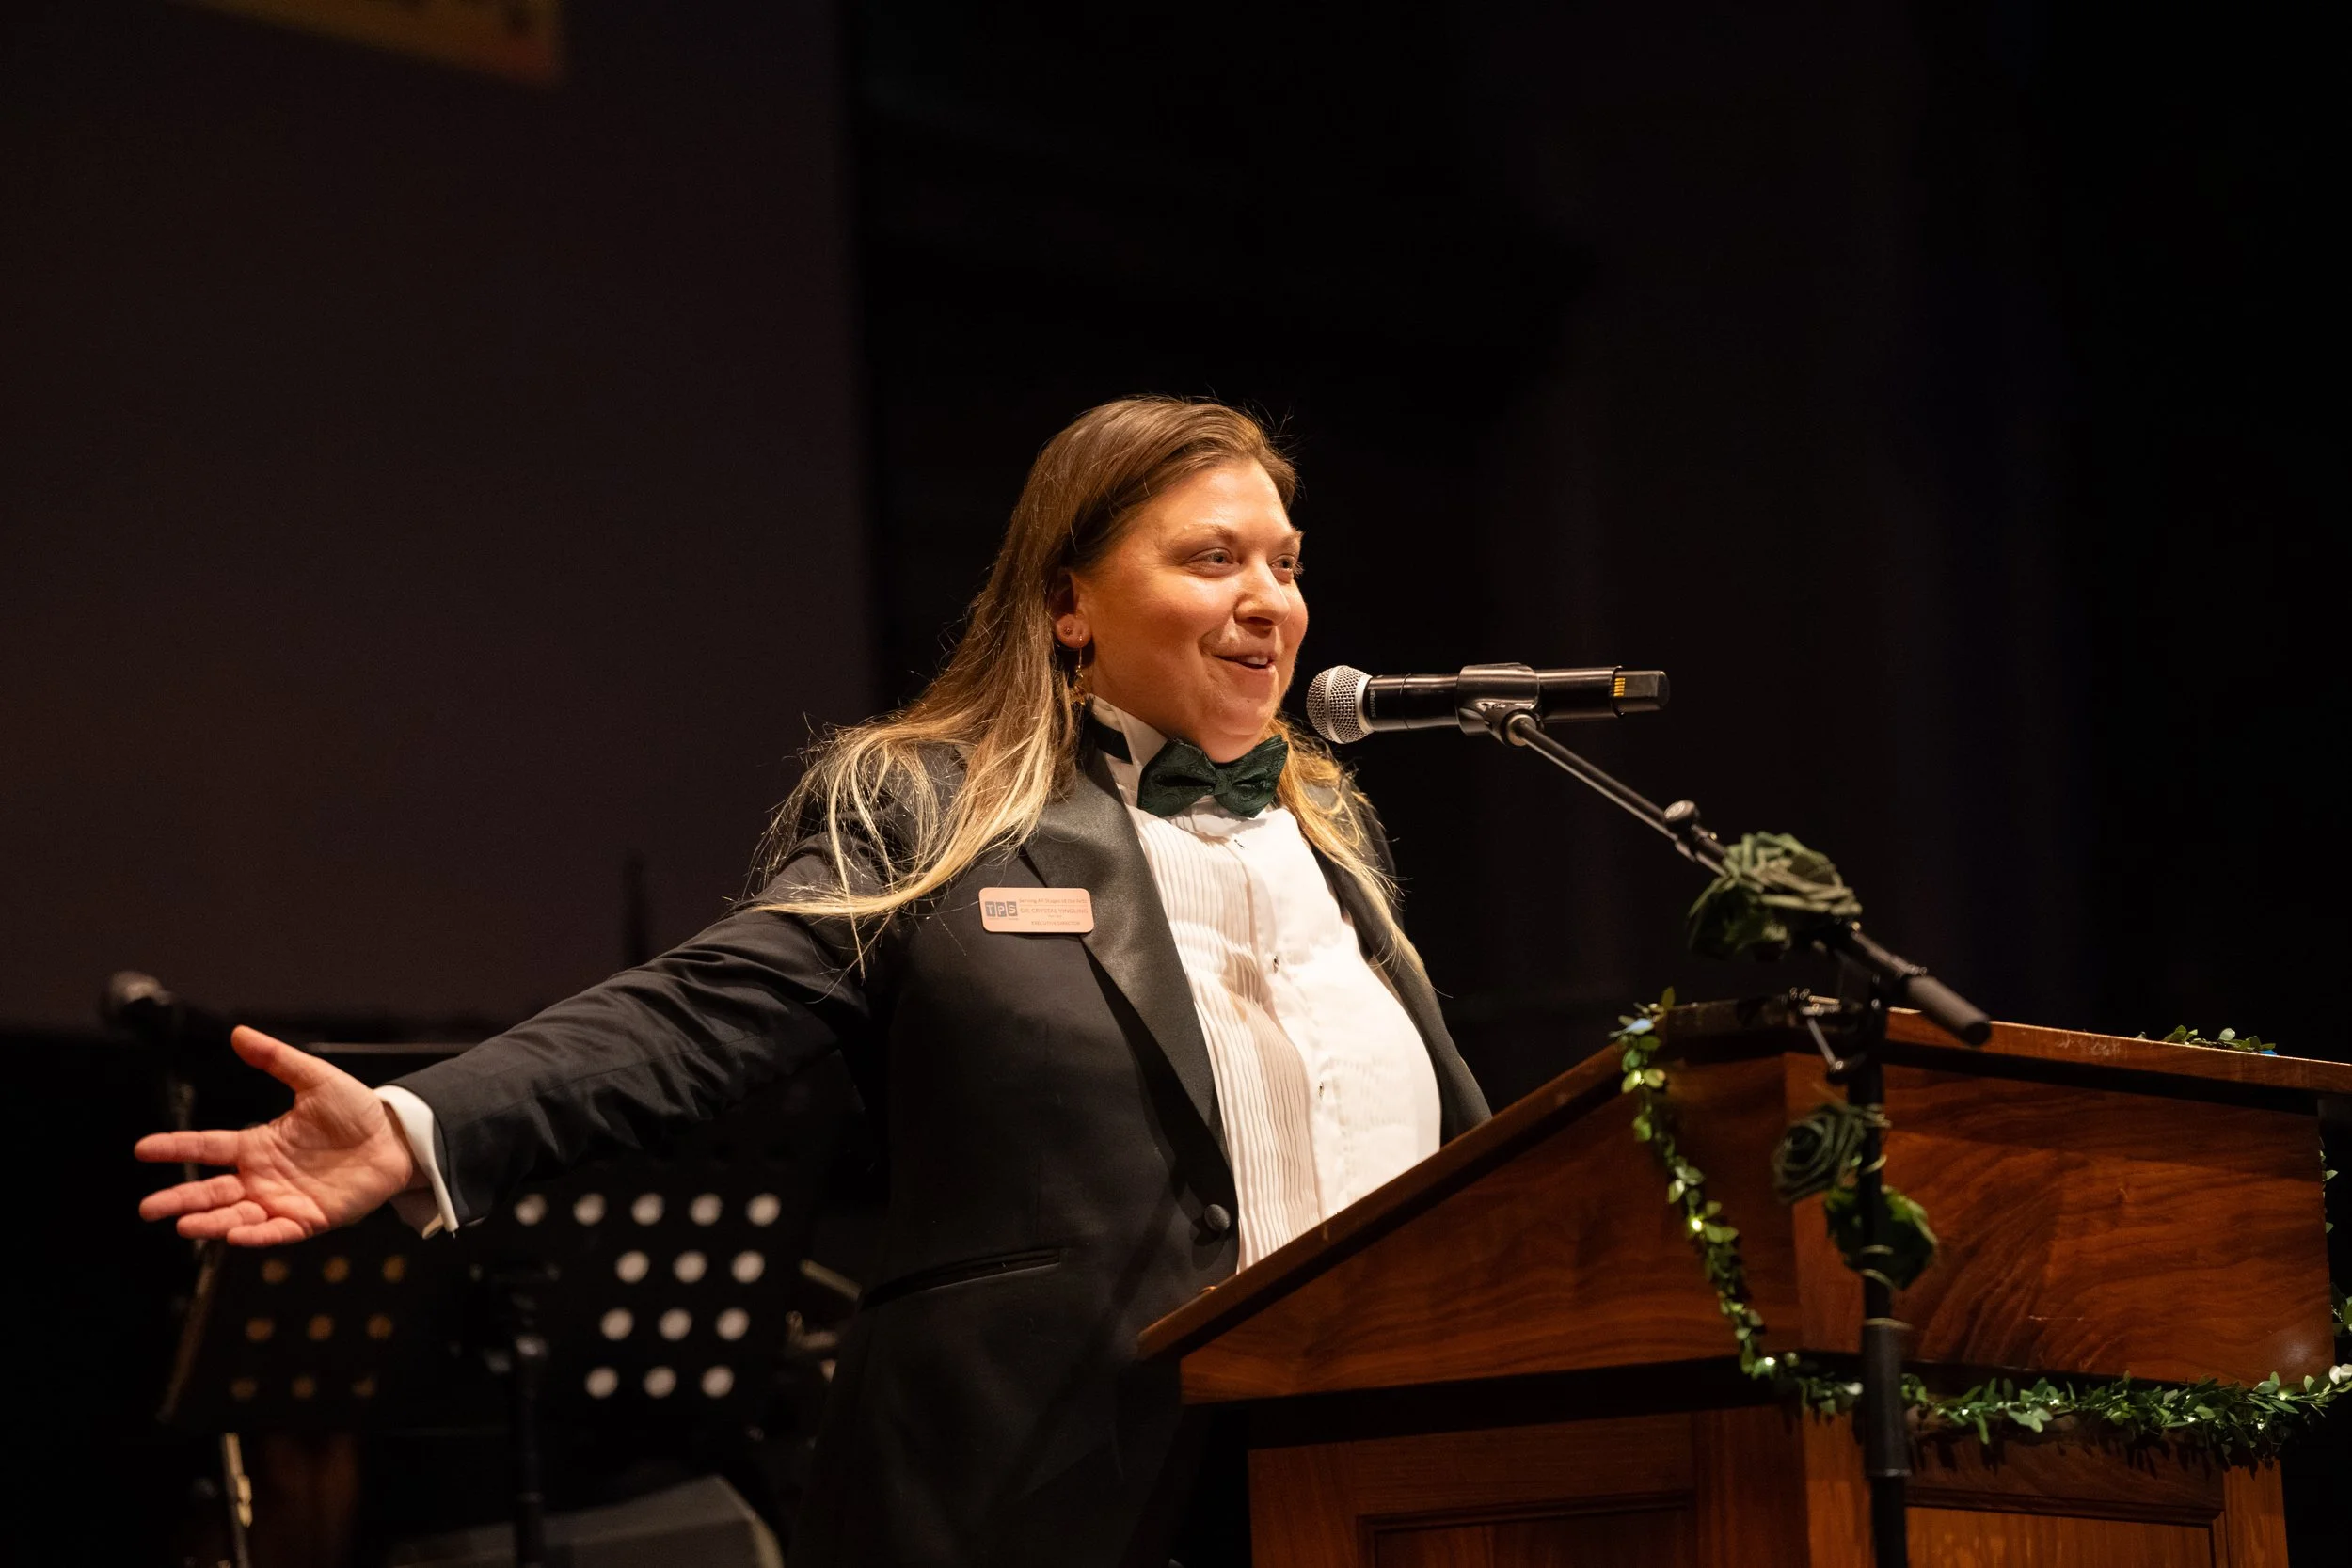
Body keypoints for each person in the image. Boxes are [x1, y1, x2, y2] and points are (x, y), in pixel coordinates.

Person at [135, 396, 1491, 1566]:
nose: (1272, 599)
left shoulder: (1336, 837)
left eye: (1285, 561)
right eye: (1212, 558)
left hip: (1373, 1488)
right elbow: (703, 1007)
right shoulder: (935, 806)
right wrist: (417, 1122)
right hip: (1049, 1492)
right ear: (1068, 603)